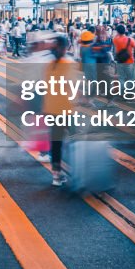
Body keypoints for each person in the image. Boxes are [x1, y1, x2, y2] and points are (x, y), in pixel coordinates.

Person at [42, 35, 75, 186]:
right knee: (76, 139)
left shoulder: (49, 65)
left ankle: (56, 175)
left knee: (56, 143)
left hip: (51, 108)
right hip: (65, 109)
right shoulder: (68, 64)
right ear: (65, 48)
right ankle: (80, 170)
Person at [112, 24, 135, 89]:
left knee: (121, 78)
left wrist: (117, 33)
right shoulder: (131, 40)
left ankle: (122, 93)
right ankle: (129, 93)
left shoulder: (115, 40)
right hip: (130, 62)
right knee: (131, 78)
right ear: (125, 30)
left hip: (120, 61)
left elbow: (115, 37)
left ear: (117, 32)